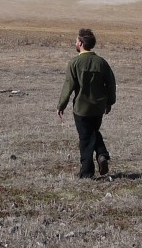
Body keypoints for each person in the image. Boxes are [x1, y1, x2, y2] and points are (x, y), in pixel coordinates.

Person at [57, 28, 116, 179]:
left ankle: (87, 172)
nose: (75, 42)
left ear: (81, 43)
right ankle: (102, 155)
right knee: (92, 133)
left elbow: (68, 85)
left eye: (76, 40)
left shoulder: (75, 62)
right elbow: (110, 83)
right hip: (98, 107)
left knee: (85, 138)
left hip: (81, 108)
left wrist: (61, 105)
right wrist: (110, 102)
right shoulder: (101, 62)